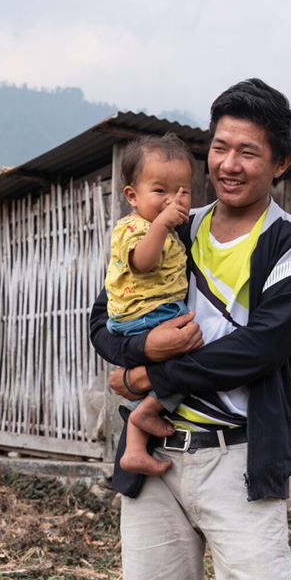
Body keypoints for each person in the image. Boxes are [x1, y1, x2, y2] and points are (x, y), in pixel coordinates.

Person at [89, 78, 291, 580]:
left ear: (281, 163)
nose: (229, 164)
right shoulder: (173, 226)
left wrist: (150, 378)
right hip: (158, 460)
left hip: (239, 457)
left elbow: (261, 348)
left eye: (248, 152)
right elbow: (103, 319)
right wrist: (145, 347)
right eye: (220, 147)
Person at [104, 133, 193, 477]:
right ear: (132, 195)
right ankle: (147, 412)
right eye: (160, 192)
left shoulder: (165, 229)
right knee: (195, 361)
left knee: (175, 367)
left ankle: (136, 447)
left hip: (148, 314)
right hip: (148, 316)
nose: (172, 201)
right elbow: (143, 263)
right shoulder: (134, 228)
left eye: (182, 192)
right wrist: (161, 224)